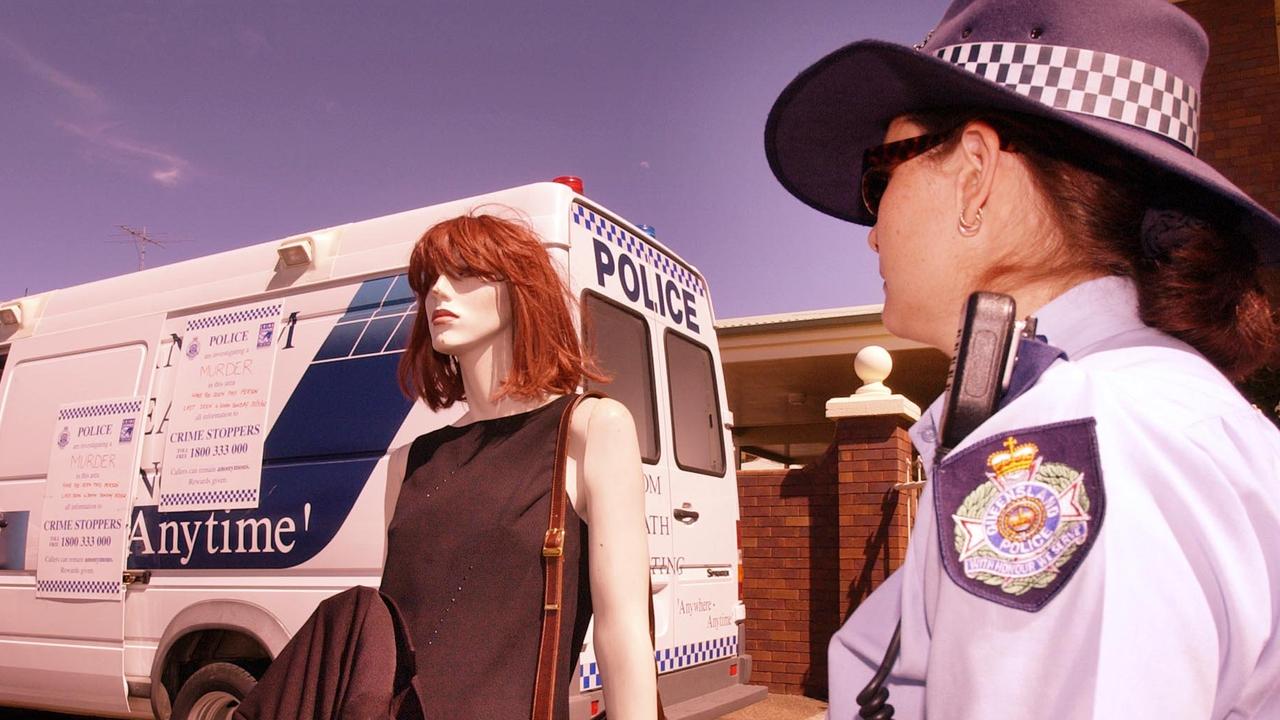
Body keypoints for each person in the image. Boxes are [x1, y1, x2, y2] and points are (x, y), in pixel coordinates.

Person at [764, 0, 1280, 717]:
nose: (872, 233)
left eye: (879, 178)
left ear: (974, 172)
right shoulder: (1151, 410)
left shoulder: (1082, 435)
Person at [382, 211, 658, 719]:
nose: (439, 292)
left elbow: (622, 630)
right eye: (428, 283)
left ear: (520, 289)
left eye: (465, 273)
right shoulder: (408, 463)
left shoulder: (587, 429)